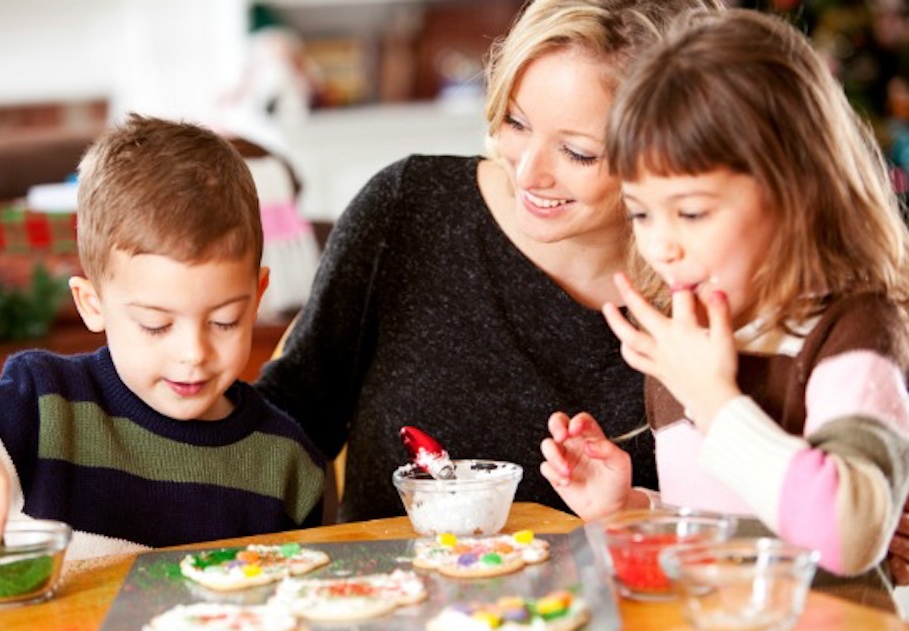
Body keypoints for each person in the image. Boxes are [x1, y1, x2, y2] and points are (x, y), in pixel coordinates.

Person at [256, 0, 725, 523]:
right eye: (516, 122)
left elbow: (744, 516)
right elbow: (288, 420)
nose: (528, 172)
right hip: (393, 596)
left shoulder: (712, 283)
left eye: (578, 152)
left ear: (669, 151)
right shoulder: (407, 209)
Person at [540, 7, 909, 591]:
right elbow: (729, 532)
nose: (661, 246)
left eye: (691, 212)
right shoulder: (688, 339)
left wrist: (712, 398)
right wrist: (629, 507)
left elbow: (847, 534)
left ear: (796, 195)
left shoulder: (853, 330)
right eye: (641, 213)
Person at [0, 114, 326, 559]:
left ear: (257, 297)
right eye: (156, 325)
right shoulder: (42, 407)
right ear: (92, 304)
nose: (192, 354)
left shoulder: (287, 463)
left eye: (224, 321)